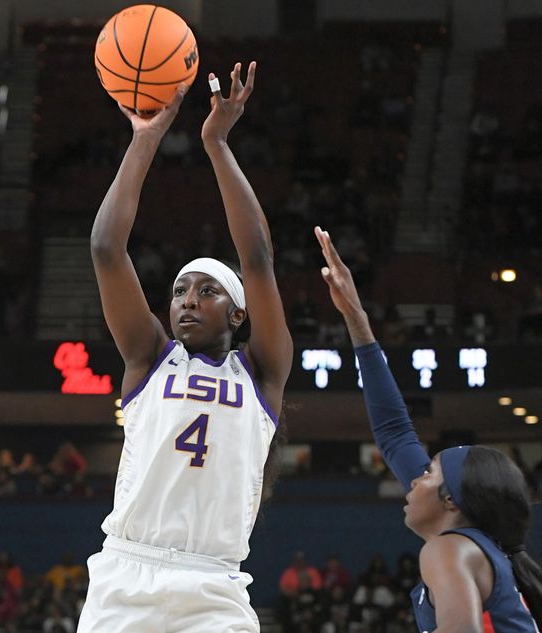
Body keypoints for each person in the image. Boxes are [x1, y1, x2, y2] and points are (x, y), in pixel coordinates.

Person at [78, 61, 293, 633]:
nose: (188, 300)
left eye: (207, 291)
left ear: (239, 312)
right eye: (178, 291)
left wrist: (217, 143)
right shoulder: (149, 358)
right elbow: (106, 248)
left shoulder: (263, 374)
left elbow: (258, 260)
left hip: (214, 585)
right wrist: (145, 139)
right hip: (127, 576)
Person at [314, 225, 542, 632]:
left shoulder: (449, 550)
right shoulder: (479, 551)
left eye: (429, 473)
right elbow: (395, 432)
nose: (415, 481)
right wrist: (357, 320)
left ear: (452, 500)